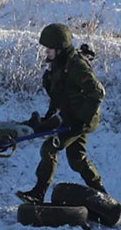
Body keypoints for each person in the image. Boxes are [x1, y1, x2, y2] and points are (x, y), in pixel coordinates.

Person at [16, 23, 106, 204]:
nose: (46, 52)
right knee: (77, 159)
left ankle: (38, 193)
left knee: (49, 149)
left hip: (80, 120)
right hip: (71, 117)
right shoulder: (59, 64)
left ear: (60, 48)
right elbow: (60, 94)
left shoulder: (76, 65)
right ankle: (102, 195)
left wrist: (82, 120)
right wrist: (48, 118)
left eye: (49, 49)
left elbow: (97, 93)